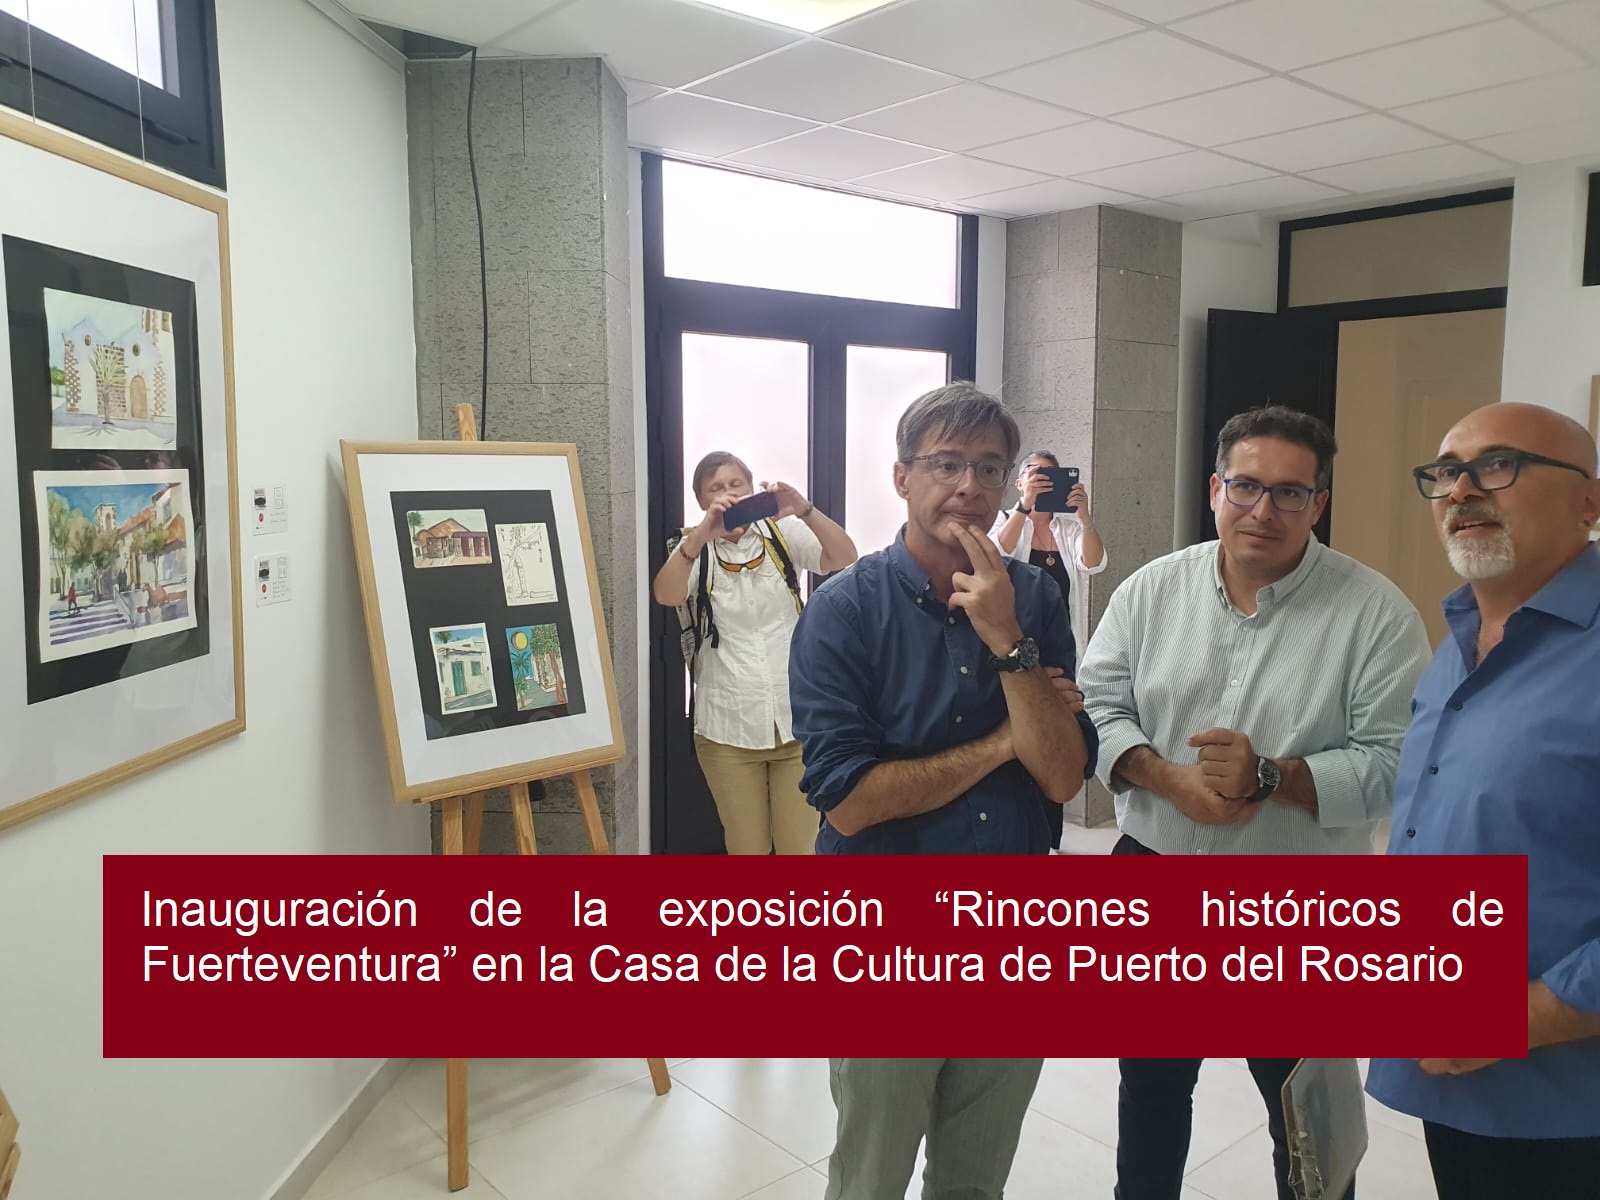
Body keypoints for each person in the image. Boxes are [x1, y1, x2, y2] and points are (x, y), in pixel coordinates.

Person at [1078, 404, 1432, 1200]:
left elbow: (1397, 764)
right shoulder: (1150, 591)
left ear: (1319, 503)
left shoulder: (1377, 615)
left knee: (1305, 1110)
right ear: (1215, 489)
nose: (1263, 510)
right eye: (1245, 486)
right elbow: (1096, 710)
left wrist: (1272, 776)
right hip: (1157, 872)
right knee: (1152, 1088)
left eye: (1289, 493)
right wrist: (1166, 777)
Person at [789, 382, 1097, 1200]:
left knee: (976, 1176)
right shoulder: (843, 612)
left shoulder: (1035, 599)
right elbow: (851, 800)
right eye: (946, 464)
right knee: (873, 1173)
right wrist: (1005, 739)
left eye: (989, 468)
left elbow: (1063, 773)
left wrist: (1007, 639)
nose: (969, 485)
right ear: (901, 477)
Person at [1366, 402, 1600, 1200]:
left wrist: (1525, 1016)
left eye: (1498, 465)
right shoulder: (1458, 643)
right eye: (1445, 472)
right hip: (1455, 1082)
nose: (1461, 490)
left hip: (1570, 1105)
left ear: (1589, 501)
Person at [651, 450, 855, 855]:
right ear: (702, 500)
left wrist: (803, 509)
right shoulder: (693, 546)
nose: (728, 493)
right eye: (716, 488)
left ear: (750, 488)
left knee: (801, 848)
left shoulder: (780, 533)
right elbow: (667, 594)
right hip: (727, 731)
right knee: (747, 850)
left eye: (736, 484)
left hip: (796, 723)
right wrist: (702, 534)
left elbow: (844, 557)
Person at [994, 450, 1108, 848]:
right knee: (1018, 736)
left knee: (1057, 736)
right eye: (1035, 473)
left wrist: (1085, 518)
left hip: (1059, 650)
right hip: (1011, 652)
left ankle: (1050, 837)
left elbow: (1094, 563)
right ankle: (1016, 831)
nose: (1043, 480)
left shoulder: (1067, 528)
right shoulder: (1005, 519)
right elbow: (997, 552)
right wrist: (1024, 508)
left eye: (1051, 475)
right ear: (1019, 482)